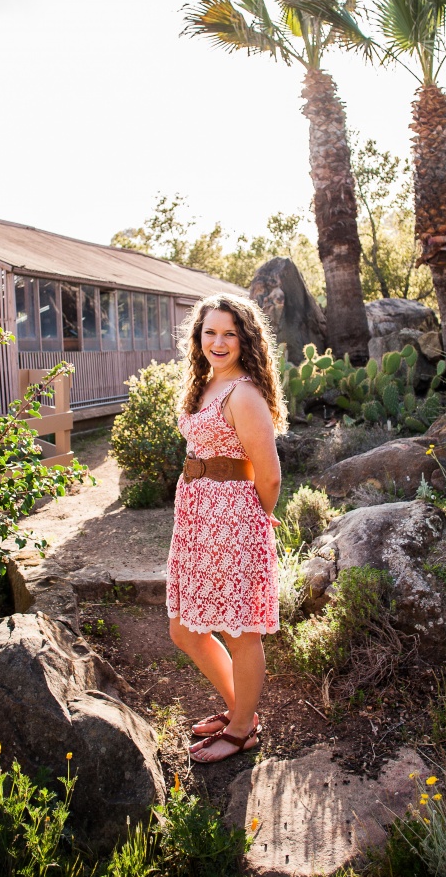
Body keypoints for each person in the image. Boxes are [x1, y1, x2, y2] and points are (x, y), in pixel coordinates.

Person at [167, 293, 288, 764]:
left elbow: (270, 473)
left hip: (232, 519)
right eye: (209, 332)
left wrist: (253, 520)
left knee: (241, 632)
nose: (218, 342)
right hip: (196, 517)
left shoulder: (244, 393)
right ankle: (243, 711)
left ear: (245, 340)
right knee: (184, 628)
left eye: (229, 334)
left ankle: (242, 730)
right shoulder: (205, 384)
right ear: (198, 338)